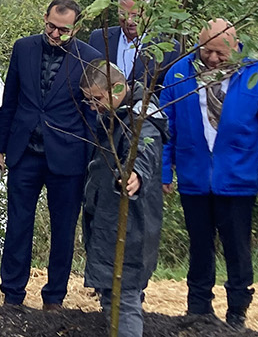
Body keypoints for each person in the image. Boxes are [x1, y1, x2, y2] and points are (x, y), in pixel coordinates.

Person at [159, 18, 258, 328]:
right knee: (200, 245)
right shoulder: (178, 72)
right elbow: (164, 126)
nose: (213, 59)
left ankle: (237, 311)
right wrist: (164, 172)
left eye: (220, 53)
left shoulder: (257, 74)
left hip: (238, 179)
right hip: (194, 176)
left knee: (237, 248)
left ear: (235, 46)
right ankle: (198, 308)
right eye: (207, 52)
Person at [0, 0, 101, 309]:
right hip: (24, 152)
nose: (55, 34)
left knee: (63, 230)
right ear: (45, 18)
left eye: (63, 30)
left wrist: (90, 158)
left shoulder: (90, 59)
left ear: (76, 28)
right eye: (51, 26)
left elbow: (93, 113)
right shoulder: (23, 48)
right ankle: (12, 295)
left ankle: (54, 298)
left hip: (68, 157)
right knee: (17, 225)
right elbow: (9, 101)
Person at [79, 60, 165, 337]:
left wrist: (135, 174)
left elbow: (144, 149)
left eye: (97, 99)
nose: (93, 106)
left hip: (128, 228)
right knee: (115, 298)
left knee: (123, 300)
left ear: (118, 88)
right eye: (88, 100)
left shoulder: (140, 120)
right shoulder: (114, 114)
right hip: (108, 221)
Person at [86, 0, 182, 92]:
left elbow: (169, 93)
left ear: (150, 11)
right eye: (123, 14)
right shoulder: (99, 38)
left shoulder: (169, 48)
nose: (129, 21)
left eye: (136, 15)